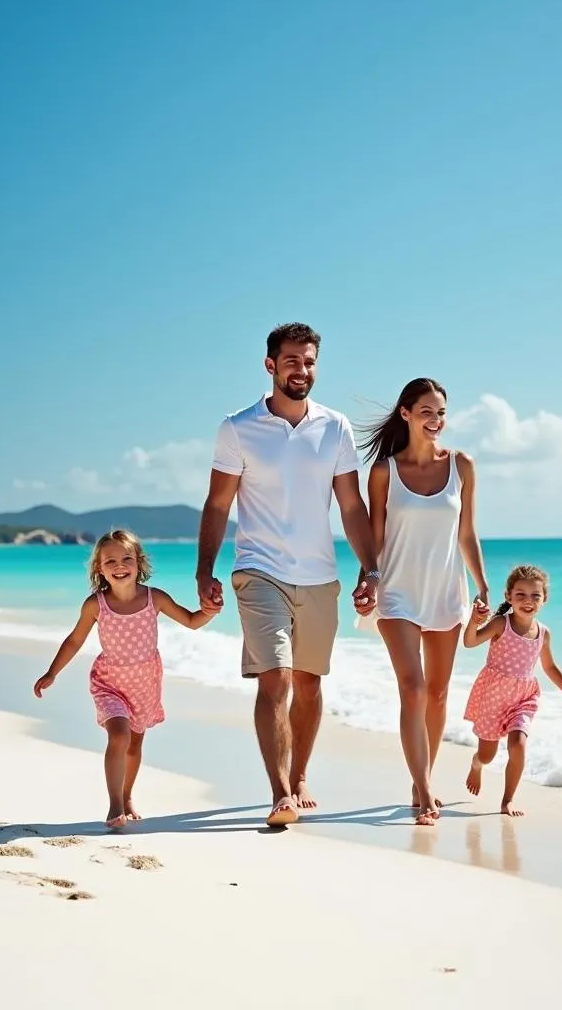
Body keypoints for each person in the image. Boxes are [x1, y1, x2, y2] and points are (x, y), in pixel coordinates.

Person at [196, 322, 380, 827]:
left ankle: (300, 775)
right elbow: (218, 503)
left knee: (309, 683)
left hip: (319, 574)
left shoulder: (335, 427)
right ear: (270, 365)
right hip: (259, 570)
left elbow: (351, 505)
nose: (302, 370)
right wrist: (203, 570)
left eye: (310, 361)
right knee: (274, 679)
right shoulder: (238, 427)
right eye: (293, 361)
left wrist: (371, 568)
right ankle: (279, 792)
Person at [358, 378, 490, 825]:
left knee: (436, 694)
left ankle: (421, 777)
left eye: (441, 413)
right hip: (396, 591)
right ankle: (427, 789)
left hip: (446, 590)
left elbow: (466, 533)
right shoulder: (384, 471)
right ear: (406, 414)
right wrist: (368, 581)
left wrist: (484, 586)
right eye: (427, 412)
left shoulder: (462, 465)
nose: (436, 421)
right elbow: (374, 535)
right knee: (412, 689)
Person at [33, 529, 215, 828]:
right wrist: (52, 672)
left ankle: (128, 795)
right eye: (111, 561)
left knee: (134, 745)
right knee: (119, 736)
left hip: (145, 682)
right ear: (99, 569)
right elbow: (75, 640)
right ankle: (115, 805)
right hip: (110, 682)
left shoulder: (154, 598)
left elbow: (193, 621)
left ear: (139, 562)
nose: (120, 566)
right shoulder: (96, 605)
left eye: (127, 558)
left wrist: (211, 611)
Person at [463, 564, 562, 816]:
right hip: (493, 695)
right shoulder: (501, 623)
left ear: (544, 600)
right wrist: (473, 621)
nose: (528, 600)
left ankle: (507, 800)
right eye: (520, 594)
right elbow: (470, 642)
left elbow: (550, 667)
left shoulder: (544, 633)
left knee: (518, 744)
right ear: (509, 597)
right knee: (487, 756)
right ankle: (476, 765)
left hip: (523, 696)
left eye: (535, 595)